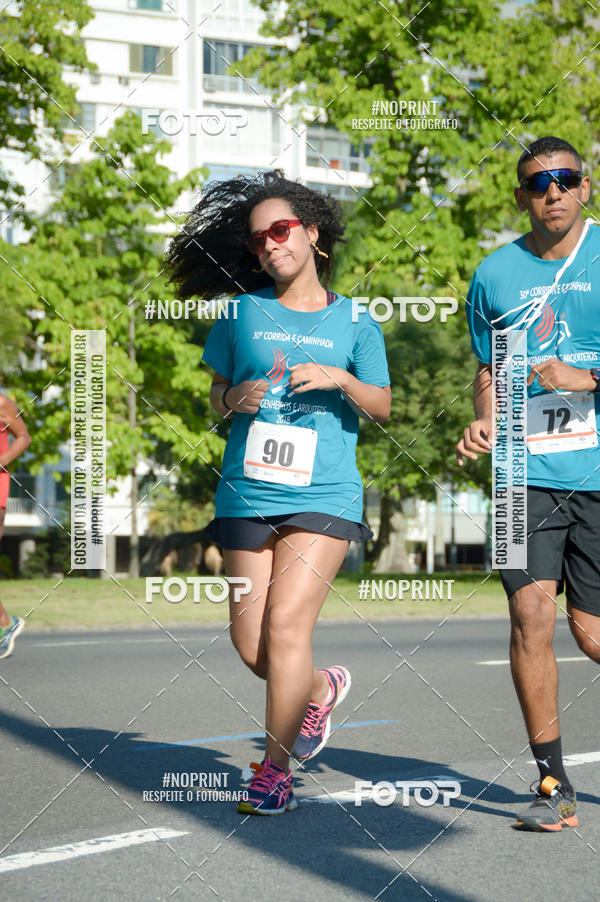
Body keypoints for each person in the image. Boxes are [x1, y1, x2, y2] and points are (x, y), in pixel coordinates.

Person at [167, 170, 391, 814]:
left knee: (289, 626)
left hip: (325, 493)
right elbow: (216, 396)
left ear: (313, 235)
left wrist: (340, 380)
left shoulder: (356, 321)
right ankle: (320, 691)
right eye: (259, 238)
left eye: (282, 230)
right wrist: (234, 397)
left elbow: (381, 406)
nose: (270, 244)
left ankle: (274, 772)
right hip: (246, 491)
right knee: (253, 647)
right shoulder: (239, 315)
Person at [457, 136, 600, 832]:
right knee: (530, 618)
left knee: (595, 635)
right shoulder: (495, 276)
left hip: (597, 474)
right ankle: (554, 783)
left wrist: (589, 378)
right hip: (521, 477)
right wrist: (483, 422)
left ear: (585, 187)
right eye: (539, 182)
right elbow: (491, 368)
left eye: (565, 178)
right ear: (522, 197)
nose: (553, 191)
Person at [0, 392, 32, 659]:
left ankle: (5, 624)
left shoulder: (1, 403)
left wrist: (3, 459)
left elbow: (24, 437)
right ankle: (5, 623)